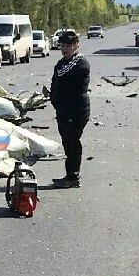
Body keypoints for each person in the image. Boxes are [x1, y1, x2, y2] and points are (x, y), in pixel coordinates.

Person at [50, 30, 90, 188]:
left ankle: (73, 177)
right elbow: (56, 82)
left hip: (77, 110)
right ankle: (70, 175)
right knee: (67, 142)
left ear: (76, 46)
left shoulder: (81, 63)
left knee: (73, 142)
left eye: (68, 45)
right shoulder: (61, 63)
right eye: (63, 45)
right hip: (63, 111)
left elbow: (63, 76)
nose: (64, 48)